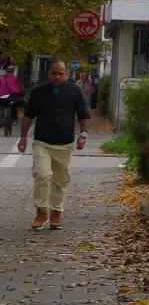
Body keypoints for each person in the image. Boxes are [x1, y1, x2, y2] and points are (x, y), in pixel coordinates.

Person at [16, 61, 91, 231]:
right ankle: (42, 211)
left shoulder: (74, 91)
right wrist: (23, 138)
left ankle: (56, 212)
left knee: (60, 180)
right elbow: (28, 116)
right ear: (48, 73)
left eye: (60, 74)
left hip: (65, 144)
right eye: (54, 73)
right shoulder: (39, 92)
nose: (57, 77)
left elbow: (83, 115)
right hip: (42, 142)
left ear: (66, 74)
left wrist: (83, 136)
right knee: (42, 175)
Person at [0, 62, 24, 138]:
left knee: (2, 106)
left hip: (1, 96)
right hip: (12, 96)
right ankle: (14, 119)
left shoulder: (1, 78)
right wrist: (21, 93)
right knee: (17, 104)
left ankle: (1, 118)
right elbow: (20, 88)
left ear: (6, 71)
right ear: (13, 71)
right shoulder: (15, 78)